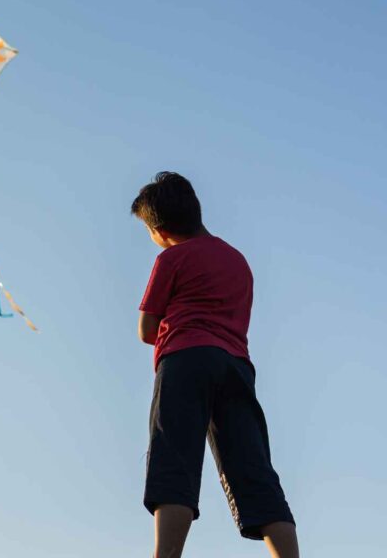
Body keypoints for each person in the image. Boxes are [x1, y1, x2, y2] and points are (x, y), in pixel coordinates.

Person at [132, 172, 298, 558]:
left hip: (186, 360)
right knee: (253, 471)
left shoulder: (170, 257)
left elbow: (146, 329)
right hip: (236, 365)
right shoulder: (238, 261)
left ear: (159, 230)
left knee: (174, 460)